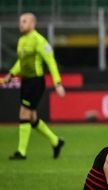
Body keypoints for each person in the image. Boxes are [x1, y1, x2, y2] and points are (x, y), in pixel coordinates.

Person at [3, 13, 65, 160]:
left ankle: (21, 152)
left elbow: (50, 61)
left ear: (33, 23)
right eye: (20, 21)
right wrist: (11, 74)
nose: (21, 24)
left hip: (36, 82)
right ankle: (56, 142)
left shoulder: (39, 40)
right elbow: (21, 62)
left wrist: (57, 83)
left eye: (24, 21)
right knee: (31, 118)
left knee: (24, 113)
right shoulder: (21, 40)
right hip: (26, 81)